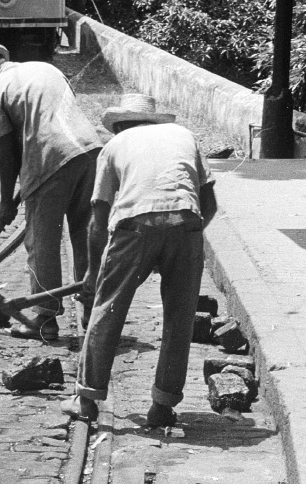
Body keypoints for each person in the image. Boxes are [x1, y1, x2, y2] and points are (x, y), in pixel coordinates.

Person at [62, 93, 217, 428]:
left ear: (119, 125)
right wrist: (180, 238)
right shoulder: (184, 136)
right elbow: (210, 204)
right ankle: (162, 407)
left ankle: (86, 401)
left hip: (134, 225)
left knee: (108, 308)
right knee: (180, 317)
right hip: (187, 221)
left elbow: (98, 217)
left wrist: (91, 274)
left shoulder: (114, 146)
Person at [0, 44, 101, 340]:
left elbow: (6, 153)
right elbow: (51, 114)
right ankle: (93, 313)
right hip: (90, 151)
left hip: (49, 158)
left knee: (42, 241)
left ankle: (44, 319)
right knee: (86, 235)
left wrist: (6, 203)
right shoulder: (46, 69)